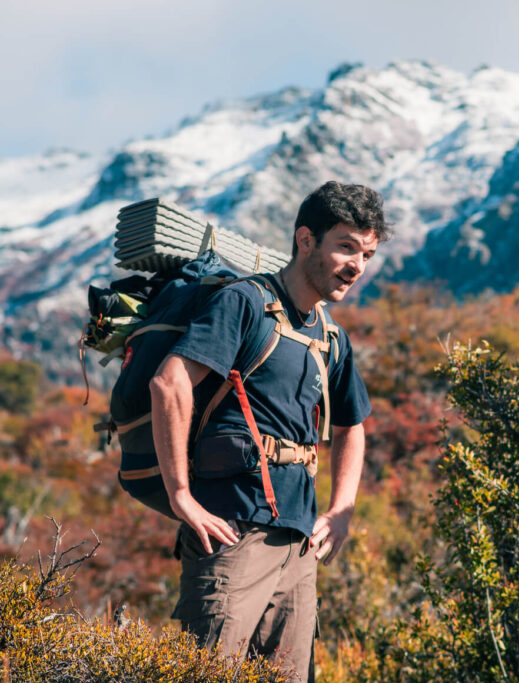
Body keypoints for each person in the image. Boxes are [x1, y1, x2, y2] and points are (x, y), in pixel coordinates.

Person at [150, 181, 390, 681]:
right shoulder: (245, 304)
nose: (357, 265)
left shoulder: (330, 336)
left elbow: (352, 425)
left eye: (366, 253)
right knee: (206, 674)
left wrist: (342, 510)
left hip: (299, 546)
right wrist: (181, 496)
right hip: (231, 533)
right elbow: (170, 384)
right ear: (306, 240)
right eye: (346, 246)